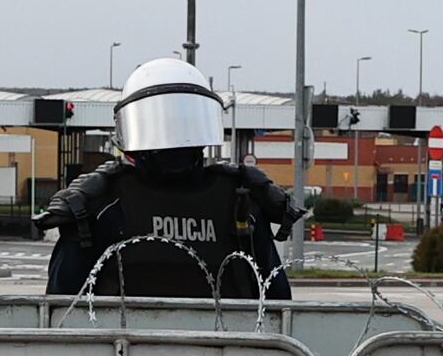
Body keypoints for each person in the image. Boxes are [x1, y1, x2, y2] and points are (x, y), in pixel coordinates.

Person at [38, 58, 295, 299]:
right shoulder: (99, 203)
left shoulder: (240, 200)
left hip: (134, 345)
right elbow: (279, 304)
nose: (173, 138)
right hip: (131, 346)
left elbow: (59, 304)